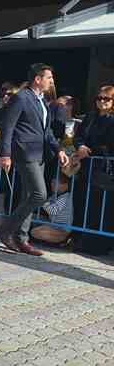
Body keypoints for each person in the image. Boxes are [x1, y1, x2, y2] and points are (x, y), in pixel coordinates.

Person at [0, 63, 69, 256]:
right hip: (25, 153)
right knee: (39, 195)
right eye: (49, 78)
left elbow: (47, 132)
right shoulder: (21, 97)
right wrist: (5, 154)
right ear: (37, 79)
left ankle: (22, 239)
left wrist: (59, 149)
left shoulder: (42, 101)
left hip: (41, 154)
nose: (51, 81)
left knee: (28, 196)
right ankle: (5, 229)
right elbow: (7, 127)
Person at [69, 85, 114, 255]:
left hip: (103, 169)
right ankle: (80, 239)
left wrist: (90, 150)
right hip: (86, 167)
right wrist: (80, 146)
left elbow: (109, 144)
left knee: (99, 206)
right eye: (99, 98)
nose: (102, 101)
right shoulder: (90, 117)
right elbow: (78, 136)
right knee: (82, 202)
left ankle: (98, 245)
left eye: (106, 98)